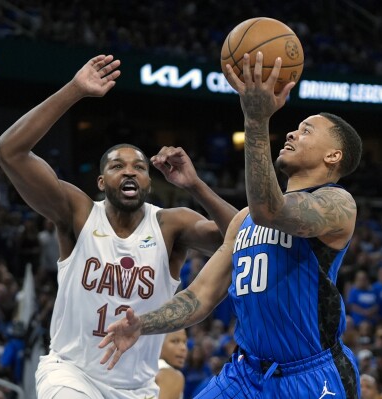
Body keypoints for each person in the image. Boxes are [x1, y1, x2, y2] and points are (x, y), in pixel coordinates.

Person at [102, 52, 363, 397]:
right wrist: (142, 324)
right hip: (244, 374)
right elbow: (200, 296)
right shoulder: (244, 221)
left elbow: (272, 211)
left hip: (311, 375)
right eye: (295, 127)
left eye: (306, 131)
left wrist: (256, 119)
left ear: (333, 156)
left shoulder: (338, 204)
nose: (292, 133)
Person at [0, 54, 237, 399]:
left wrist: (196, 185)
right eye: (117, 165)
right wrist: (75, 90)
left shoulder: (170, 224)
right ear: (102, 182)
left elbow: (242, 241)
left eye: (139, 166)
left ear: (149, 183)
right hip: (70, 375)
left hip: (138, 388)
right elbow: (9, 151)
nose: (128, 171)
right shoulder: (77, 213)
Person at [156, 330, 188, 399]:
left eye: (185, 342)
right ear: (158, 344)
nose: (183, 348)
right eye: (175, 341)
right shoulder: (172, 374)